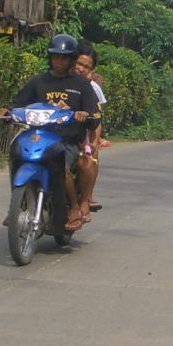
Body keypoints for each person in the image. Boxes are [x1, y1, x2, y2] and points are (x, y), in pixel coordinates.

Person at [0, 34, 99, 233]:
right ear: (50, 58)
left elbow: (94, 115)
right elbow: (18, 105)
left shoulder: (81, 85)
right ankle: (17, 204)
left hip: (66, 140)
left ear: (71, 60)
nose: (59, 62)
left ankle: (74, 207)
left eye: (64, 58)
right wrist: (7, 113)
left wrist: (84, 115)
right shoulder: (38, 82)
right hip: (37, 136)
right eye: (55, 57)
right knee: (16, 153)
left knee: (61, 167)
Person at [73, 40, 106, 220]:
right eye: (78, 63)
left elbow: (97, 117)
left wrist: (94, 141)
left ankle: (86, 198)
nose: (81, 69)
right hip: (52, 132)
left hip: (79, 133)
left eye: (86, 67)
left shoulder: (90, 88)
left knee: (89, 158)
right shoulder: (53, 80)